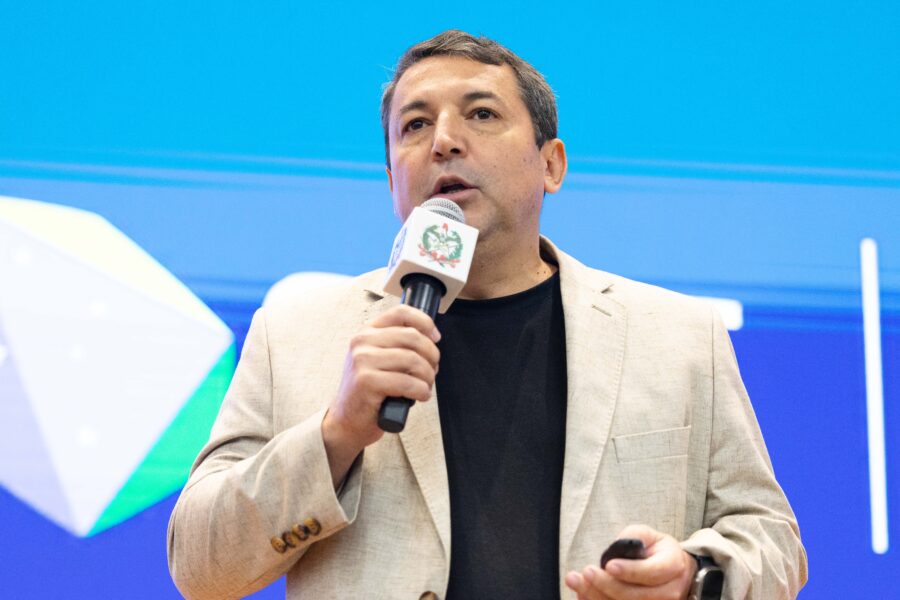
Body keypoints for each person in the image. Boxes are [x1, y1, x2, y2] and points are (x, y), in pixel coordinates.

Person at [168, 30, 807, 599]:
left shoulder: (679, 336)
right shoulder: (295, 331)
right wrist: (336, 436)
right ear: (391, 179)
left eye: (481, 113)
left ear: (551, 164)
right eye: (415, 126)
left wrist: (694, 577)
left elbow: (772, 538)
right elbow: (199, 567)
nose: (444, 141)